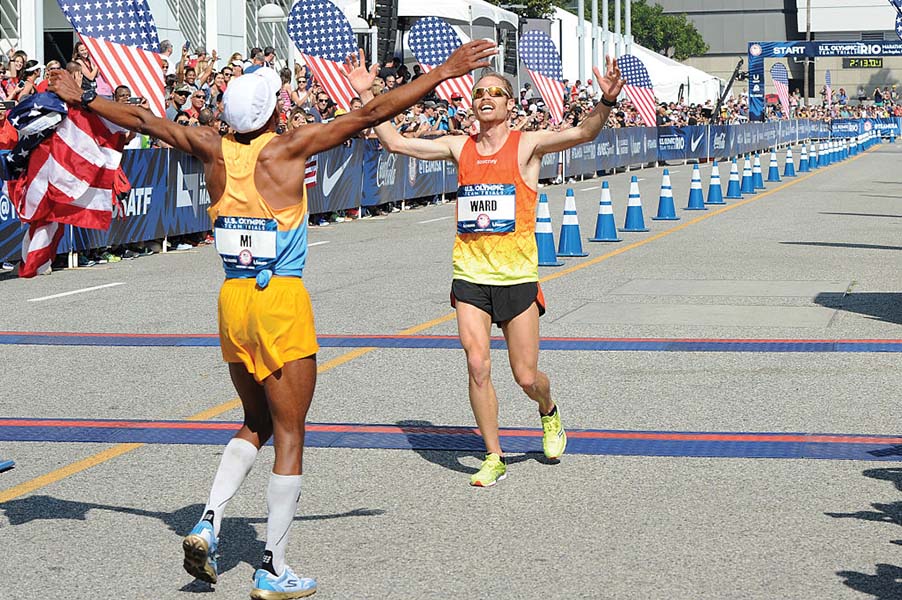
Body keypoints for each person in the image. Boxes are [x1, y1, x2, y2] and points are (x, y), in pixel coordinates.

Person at [49, 39, 495, 597]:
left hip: (233, 302)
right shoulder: (287, 149)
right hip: (280, 299)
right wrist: (446, 71)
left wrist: (88, 96)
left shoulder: (210, 147)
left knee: (254, 420)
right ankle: (272, 567)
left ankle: (208, 521)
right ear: (272, 111)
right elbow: (372, 114)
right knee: (290, 433)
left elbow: (143, 118)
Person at [349, 57, 625, 487]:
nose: (485, 98)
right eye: (479, 92)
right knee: (477, 365)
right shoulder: (460, 147)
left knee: (526, 376)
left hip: (516, 277)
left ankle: (548, 411)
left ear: (510, 105)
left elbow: (584, 132)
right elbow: (396, 143)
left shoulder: (528, 145)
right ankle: (493, 454)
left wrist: (607, 98)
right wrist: (367, 93)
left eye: (495, 92)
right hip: (471, 275)